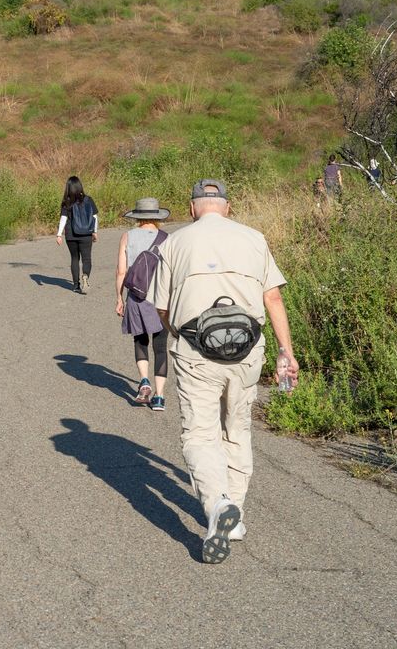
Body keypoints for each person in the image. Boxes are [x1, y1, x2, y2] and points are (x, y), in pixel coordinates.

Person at [148, 179, 298, 565]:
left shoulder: (174, 243)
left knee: (200, 432)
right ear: (227, 207)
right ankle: (236, 517)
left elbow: (161, 309)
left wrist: (181, 337)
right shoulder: (254, 238)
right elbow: (273, 297)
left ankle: (216, 505)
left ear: (193, 207)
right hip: (248, 352)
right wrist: (286, 351)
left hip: (196, 350)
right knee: (237, 428)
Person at [114, 197, 171, 411]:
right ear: (157, 217)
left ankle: (144, 381)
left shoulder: (127, 236)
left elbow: (121, 271)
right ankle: (160, 396)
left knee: (140, 341)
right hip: (160, 299)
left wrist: (119, 297)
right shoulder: (167, 239)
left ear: (137, 217)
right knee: (160, 347)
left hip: (136, 297)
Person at [56, 175, 98, 293]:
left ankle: (75, 285)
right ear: (80, 186)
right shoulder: (88, 200)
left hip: (71, 234)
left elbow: (63, 218)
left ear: (68, 188)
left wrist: (59, 234)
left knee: (74, 258)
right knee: (86, 258)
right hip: (86, 234)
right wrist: (94, 231)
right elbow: (94, 217)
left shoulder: (66, 202)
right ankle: (85, 276)